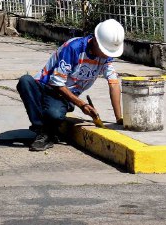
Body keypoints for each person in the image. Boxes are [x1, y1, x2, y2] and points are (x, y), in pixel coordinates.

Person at [16, 19, 125, 152]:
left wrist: (118, 117)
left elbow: (113, 83)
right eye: (105, 51)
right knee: (25, 81)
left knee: (54, 114)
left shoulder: (105, 58)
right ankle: (43, 132)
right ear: (96, 40)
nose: (107, 55)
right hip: (46, 86)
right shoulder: (74, 48)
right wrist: (82, 104)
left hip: (65, 96)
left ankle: (47, 130)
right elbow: (57, 83)